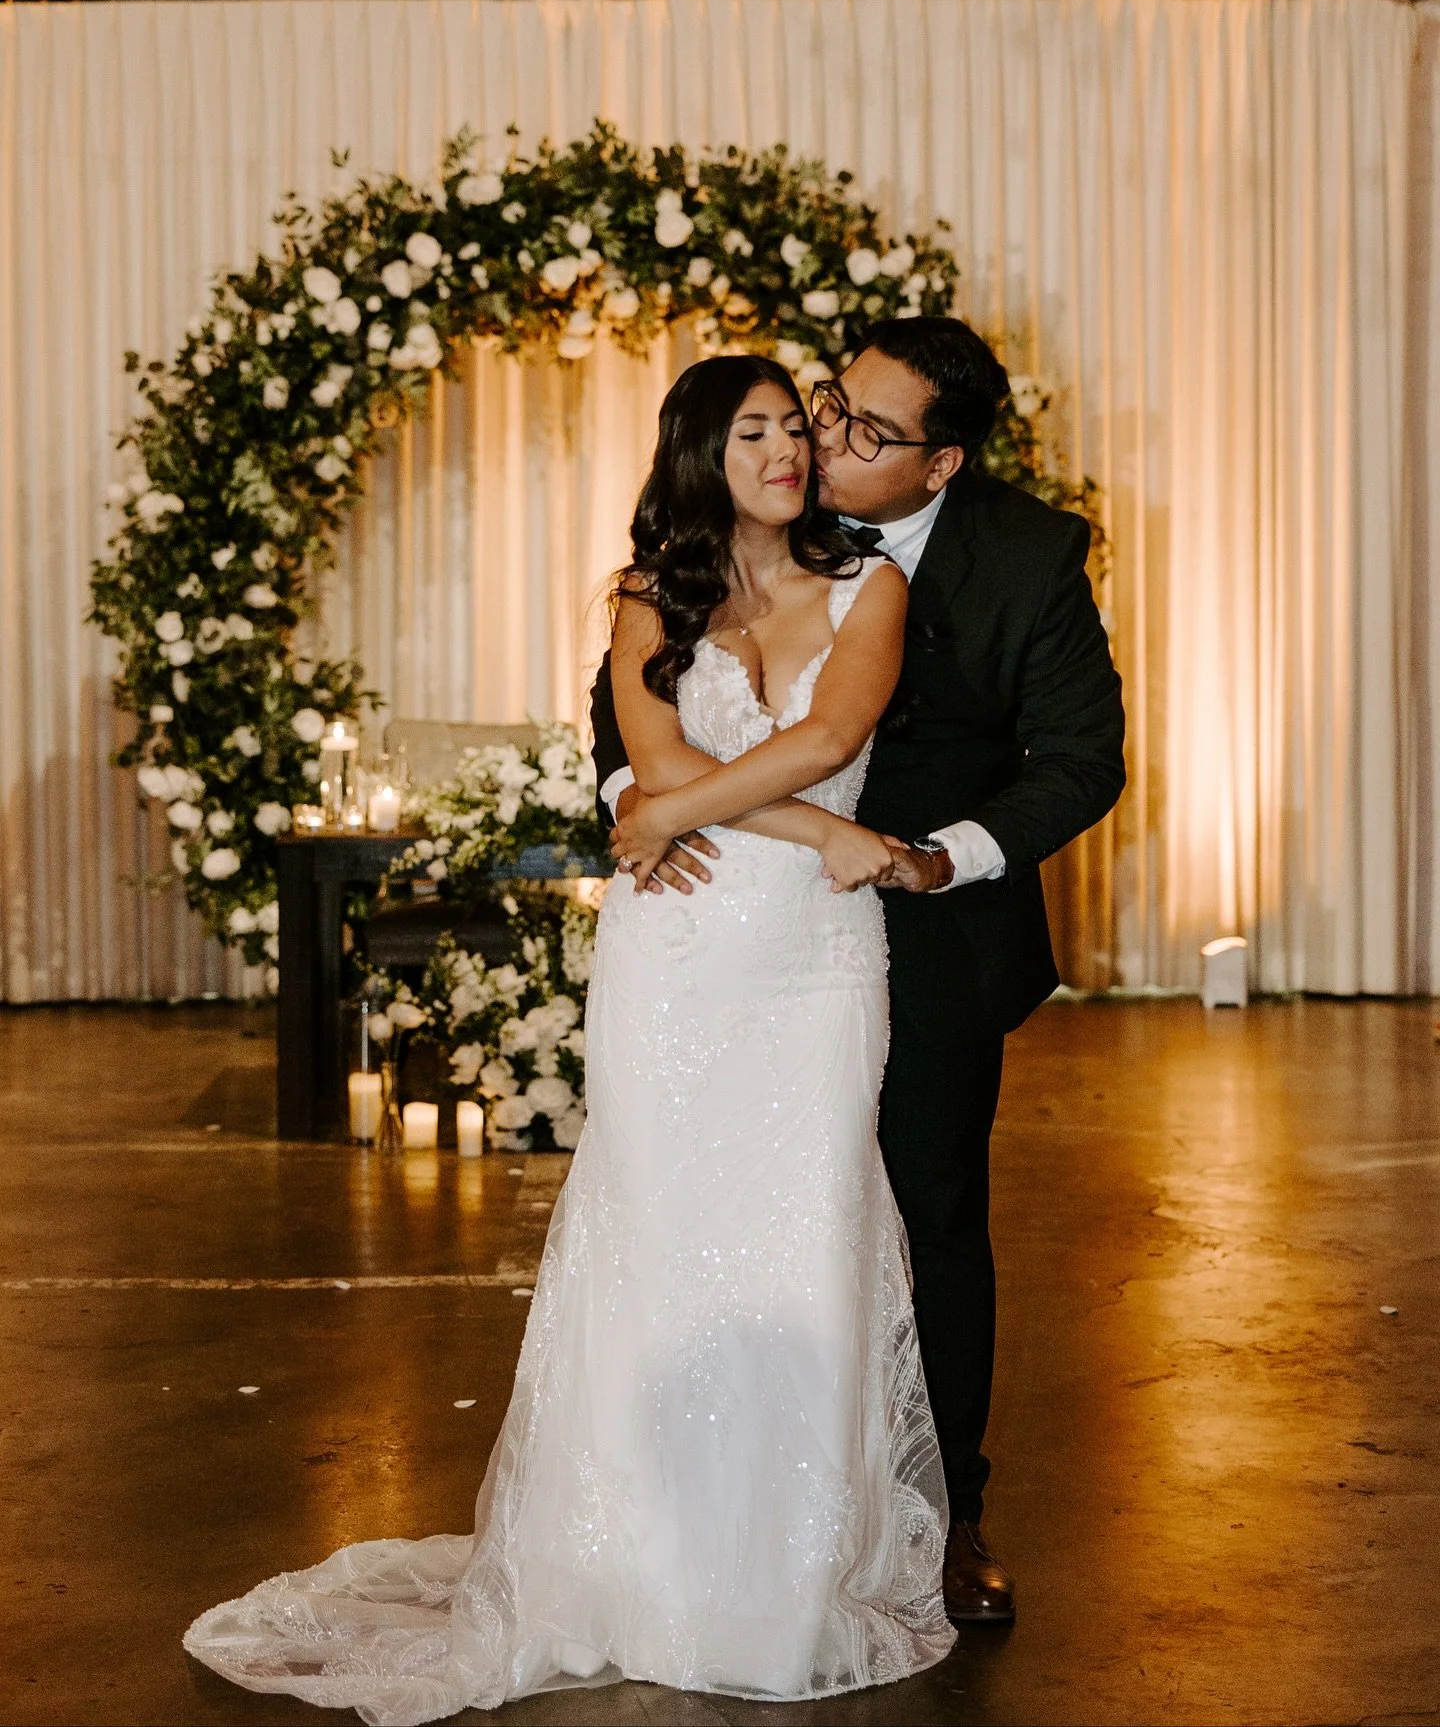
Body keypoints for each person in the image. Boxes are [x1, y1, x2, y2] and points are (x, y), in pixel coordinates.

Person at [183, 355, 957, 1720]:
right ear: (697, 456)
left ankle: (780, 1585)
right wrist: (821, 826)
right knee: (658, 1234)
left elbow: (833, 724)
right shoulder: (646, 597)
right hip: (677, 959)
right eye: (751, 431)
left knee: (808, 1231)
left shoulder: (872, 586)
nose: (784, 450)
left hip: (815, 968)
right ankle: (632, 1570)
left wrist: (694, 810)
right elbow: (655, 772)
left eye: (795, 427)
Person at [591, 318, 1127, 1623]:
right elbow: (622, 702)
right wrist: (636, 796)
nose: (825, 440)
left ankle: (943, 1514)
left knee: (925, 1214)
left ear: (940, 465)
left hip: (921, 929)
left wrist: (939, 859)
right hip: (718, 918)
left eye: (865, 433)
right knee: (723, 1210)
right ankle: (714, 1495)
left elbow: (1080, 756)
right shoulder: (749, 500)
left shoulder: (1028, 554)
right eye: (829, 408)